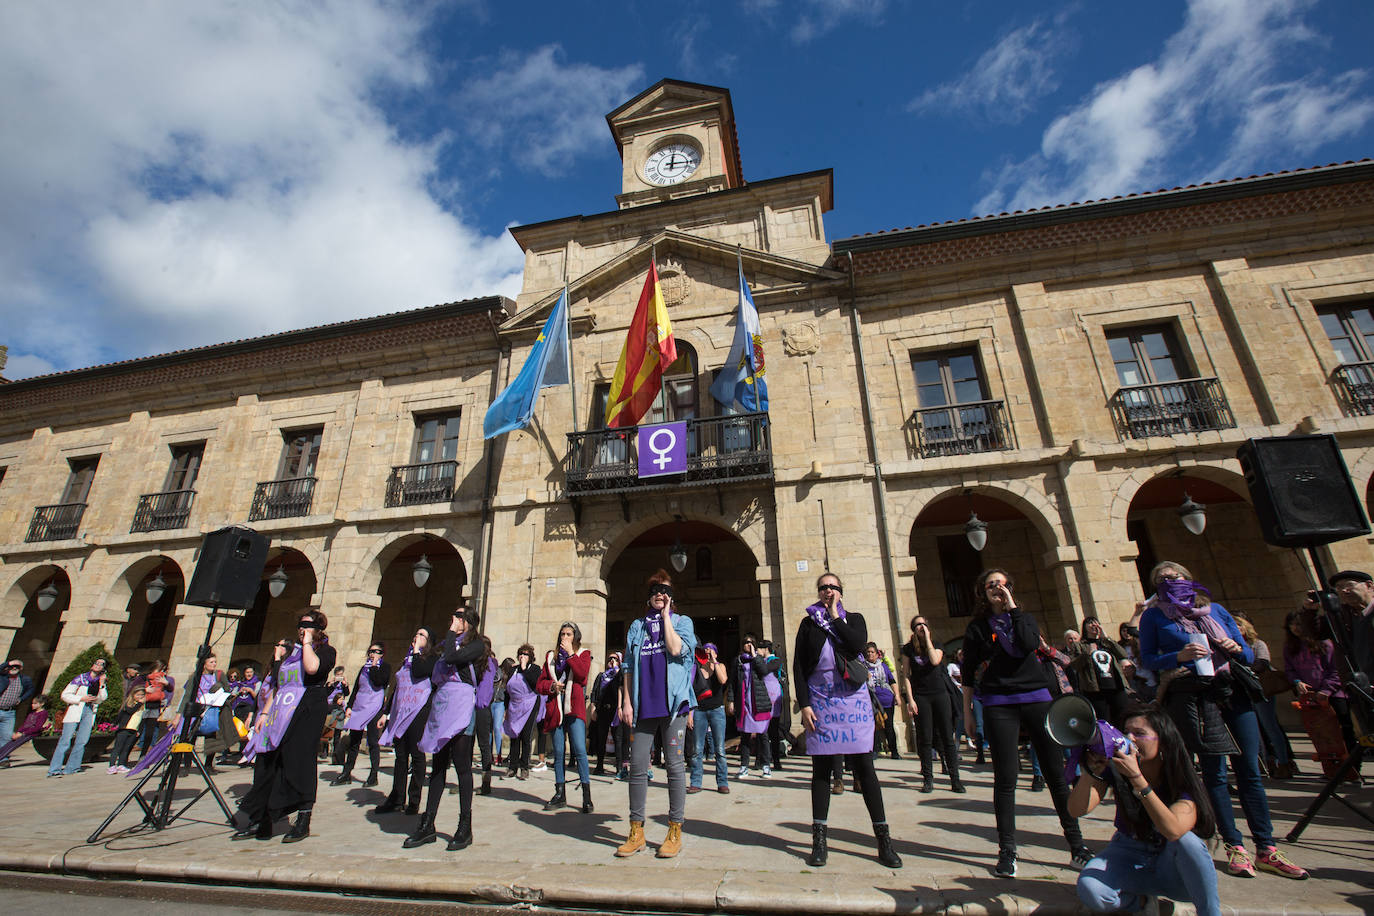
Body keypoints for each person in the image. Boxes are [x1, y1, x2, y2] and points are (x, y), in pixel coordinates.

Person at [1137, 560, 1308, 879]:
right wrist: (1177, 656)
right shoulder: (1155, 615)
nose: (1170, 580)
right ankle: (1234, 846)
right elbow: (1147, 658)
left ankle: (1267, 847)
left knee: (1250, 771)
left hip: (1232, 691)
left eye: (1175, 576)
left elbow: (1245, 653)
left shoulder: (1215, 610)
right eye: (1162, 578)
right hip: (1196, 696)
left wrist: (1234, 648)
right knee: (1215, 773)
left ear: (1188, 579)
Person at [961, 569, 1087, 878]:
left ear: (1010, 589)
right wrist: (967, 713)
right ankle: (1007, 850)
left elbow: (1030, 643)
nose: (997, 588)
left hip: (1036, 698)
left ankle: (1077, 846)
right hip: (998, 703)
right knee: (1006, 778)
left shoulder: (1025, 619)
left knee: (1056, 776)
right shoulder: (977, 628)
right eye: (991, 585)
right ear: (982, 593)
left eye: (1002, 584)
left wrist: (1013, 609)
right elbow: (968, 673)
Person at [1072, 703, 1221, 916]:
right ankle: (1140, 901)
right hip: (1128, 850)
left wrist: (1137, 780)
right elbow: (1076, 810)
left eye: (1140, 733)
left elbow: (1173, 831)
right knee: (1092, 890)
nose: (1130, 739)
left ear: (1164, 742)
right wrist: (1090, 772)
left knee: (1189, 842)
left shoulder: (1182, 781)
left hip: (1172, 868)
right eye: (1126, 733)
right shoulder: (1116, 770)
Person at [795, 572, 901, 869]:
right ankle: (819, 841)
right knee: (821, 770)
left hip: (853, 701)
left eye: (833, 587)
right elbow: (799, 665)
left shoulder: (853, 619)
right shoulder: (808, 623)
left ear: (841, 591)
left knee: (866, 768)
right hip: (821, 700)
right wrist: (804, 704)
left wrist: (834, 617)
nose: (828, 590)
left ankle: (884, 841)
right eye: (823, 587)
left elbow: (856, 646)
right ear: (818, 592)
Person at [232, 609, 337, 842]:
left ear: (319, 629)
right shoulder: (292, 654)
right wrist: (264, 713)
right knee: (270, 761)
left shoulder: (327, 651)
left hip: (308, 709)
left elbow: (312, 669)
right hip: (281, 710)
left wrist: (308, 643)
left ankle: (303, 820)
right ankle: (263, 818)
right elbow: (280, 684)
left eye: (308, 625)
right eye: (300, 624)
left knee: (299, 762)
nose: (302, 628)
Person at [615, 569, 696, 859]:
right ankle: (636, 830)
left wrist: (665, 618)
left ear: (672, 596)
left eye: (665, 590)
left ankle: (675, 829)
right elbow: (627, 667)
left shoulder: (681, 623)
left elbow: (676, 649)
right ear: (647, 596)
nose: (659, 594)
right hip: (643, 703)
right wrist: (625, 701)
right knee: (636, 767)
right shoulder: (636, 627)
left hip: (673, 704)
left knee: (675, 766)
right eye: (654, 590)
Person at [404, 606, 486, 850]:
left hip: (462, 704)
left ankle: (465, 826)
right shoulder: (446, 643)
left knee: (462, 765)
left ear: (469, 622)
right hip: (443, 704)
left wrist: (451, 634)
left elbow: (452, 658)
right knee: (438, 765)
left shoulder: (477, 645)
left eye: (459, 616)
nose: (454, 619)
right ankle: (427, 824)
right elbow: (431, 667)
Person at [1284, 609, 1357, 772]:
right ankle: (1332, 769)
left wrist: (1326, 690)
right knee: (1321, 734)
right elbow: (1289, 670)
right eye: (1291, 625)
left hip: (1334, 694)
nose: (1295, 628)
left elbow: (1337, 669)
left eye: (1298, 624)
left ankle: (1352, 768)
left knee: (1343, 732)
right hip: (1310, 696)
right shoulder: (1291, 647)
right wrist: (1297, 682)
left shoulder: (1325, 644)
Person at [375, 626, 436, 816]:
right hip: (402, 710)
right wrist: (385, 713)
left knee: (417, 756)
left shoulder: (432, 659)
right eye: (416, 633)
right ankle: (397, 797)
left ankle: (414, 800)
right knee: (400, 755)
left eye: (422, 635)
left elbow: (419, 672)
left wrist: (417, 651)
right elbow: (398, 686)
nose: (416, 637)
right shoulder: (407, 659)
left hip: (419, 711)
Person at [900, 616, 964, 794]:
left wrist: (927, 640)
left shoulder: (936, 644)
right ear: (913, 629)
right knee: (925, 739)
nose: (921, 627)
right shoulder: (908, 649)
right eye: (917, 625)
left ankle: (955, 779)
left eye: (924, 624)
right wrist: (910, 700)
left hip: (940, 694)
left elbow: (935, 660)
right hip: (921, 696)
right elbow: (906, 675)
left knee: (947, 738)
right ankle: (928, 779)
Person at [538, 622, 594, 813]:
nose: (565, 637)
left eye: (569, 634)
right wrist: (552, 687)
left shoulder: (583, 654)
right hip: (556, 709)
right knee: (559, 751)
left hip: (574, 708)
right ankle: (559, 792)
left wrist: (570, 654)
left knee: (579, 749)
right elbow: (541, 683)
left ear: (575, 637)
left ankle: (586, 795)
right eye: (562, 634)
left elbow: (582, 676)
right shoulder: (551, 658)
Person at [1233, 610, 1294, 779]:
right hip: (1243, 690)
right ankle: (1264, 762)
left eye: (1238, 625)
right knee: (1254, 730)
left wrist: (1242, 670)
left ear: (1246, 627)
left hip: (1261, 690)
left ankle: (1284, 763)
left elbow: (1263, 663)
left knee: (1270, 727)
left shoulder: (1257, 644)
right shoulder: (1229, 645)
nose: (1235, 628)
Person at [332, 642, 390, 787]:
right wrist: (350, 706)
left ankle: (373, 775)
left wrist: (375, 666)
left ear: (382, 653)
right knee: (354, 740)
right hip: (360, 705)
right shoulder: (364, 668)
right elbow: (357, 687)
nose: (372, 654)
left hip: (374, 706)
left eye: (376, 651)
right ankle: (346, 772)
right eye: (371, 651)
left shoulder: (384, 667)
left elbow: (379, 681)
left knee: (372, 742)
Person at [48, 656, 108, 777]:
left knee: (82, 741)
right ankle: (54, 769)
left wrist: (102, 685)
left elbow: (102, 698)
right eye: (96, 662)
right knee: (65, 740)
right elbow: (65, 695)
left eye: (101, 664)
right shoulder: (81, 678)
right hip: (76, 709)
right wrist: (81, 698)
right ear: (92, 665)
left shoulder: (99, 682)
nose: (98, 664)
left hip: (89, 710)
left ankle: (73, 767)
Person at [1070, 617, 1132, 724]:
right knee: (1103, 721)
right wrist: (1087, 654)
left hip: (1116, 686)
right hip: (1096, 689)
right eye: (1090, 623)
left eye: (1096, 623)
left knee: (1123, 717)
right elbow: (1075, 665)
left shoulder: (1106, 643)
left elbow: (1123, 654)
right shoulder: (1080, 645)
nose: (1094, 625)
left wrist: (1106, 637)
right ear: (1084, 627)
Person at [735, 633, 780, 779]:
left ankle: (766, 766)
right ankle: (744, 767)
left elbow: (764, 671)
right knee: (745, 736)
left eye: (750, 642)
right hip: (744, 701)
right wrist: (730, 700)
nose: (748, 644)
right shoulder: (739, 661)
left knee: (763, 734)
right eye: (745, 642)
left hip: (758, 701)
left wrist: (755, 656)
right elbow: (733, 682)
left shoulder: (759, 660)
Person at [1325, 569, 1374, 681]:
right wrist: (1309, 611)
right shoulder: (1342, 617)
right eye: (1339, 587)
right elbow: (1315, 633)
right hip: (1362, 686)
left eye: (1349, 585)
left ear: (1369, 585)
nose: (1344, 590)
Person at [503, 644, 542, 780]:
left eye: (525, 654)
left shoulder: (535, 669)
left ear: (530, 657)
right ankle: (512, 767)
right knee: (514, 735)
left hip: (529, 705)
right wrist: (506, 708)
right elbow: (508, 690)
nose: (522, 656)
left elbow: (535, 684)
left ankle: (524, 767)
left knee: (526, 736)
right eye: (521, 654)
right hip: (514, 706)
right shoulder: (513, 670)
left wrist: (525, 669)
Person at [195, 651, 234, 774]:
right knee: (191, 736)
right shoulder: (196, 676)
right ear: (204, 664)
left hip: (212, 709)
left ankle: (208, 765)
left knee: (212, 737)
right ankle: (186, 763)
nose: (214, 664)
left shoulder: (218, 675)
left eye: (215, 662)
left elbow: (227, 689)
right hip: (198, 708)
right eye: (211, 662)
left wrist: (218, 690)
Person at [472, 635, 499, 796]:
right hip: (473, 706)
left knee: (483, 745)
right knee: (469, 744)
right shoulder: (478, 662)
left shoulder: (488, 662)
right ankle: (468, 782)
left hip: (481, 706)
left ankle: (486, 782)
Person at [864, 643, 900, 760]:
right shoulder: (864, 667)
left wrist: (897, 695)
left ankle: (894, 751)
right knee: (873, 727)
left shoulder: (883, 666)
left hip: (886, 699)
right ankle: (875, 750)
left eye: (872, 652)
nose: (870, 654)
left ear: (876, 654)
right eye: (868, 652)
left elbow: (892, 681)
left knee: (888, 725)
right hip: (871, 699)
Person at [589, 651, 622, 776]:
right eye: (610, 659)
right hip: (603, 709)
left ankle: (619, 768)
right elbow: (595, 692)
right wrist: (593, 708)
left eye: (615, 659)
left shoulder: (619, 675)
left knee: (617, 738)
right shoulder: (601, 676)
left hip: (615, 710)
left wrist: (617, 670)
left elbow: (621, 688)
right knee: (601, 738)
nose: (612, 661)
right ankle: (599, 765)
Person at [137, 661, 175, 756]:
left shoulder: (164, 679)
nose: (162, 672)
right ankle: (123, 759)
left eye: (164, 670)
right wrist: (145, 690)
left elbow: (170, 690)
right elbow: (133, 689)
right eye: (160, 669)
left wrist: (166, 683)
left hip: (155, 707)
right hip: (142, 706)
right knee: (138, 730)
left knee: (150, 732)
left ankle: (143, 755)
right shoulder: (144, 677)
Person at [106, 685, 147, 774]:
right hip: (124, 729)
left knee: (126, 748)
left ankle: (121, 764)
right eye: (138, 695)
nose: (140, 697)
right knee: (117, 748)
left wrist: (139, 731)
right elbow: (130, 712)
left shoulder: (143, 707)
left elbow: (141, 720)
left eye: (142, 695)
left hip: (133, 730)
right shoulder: (129, 705)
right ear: (133, 695)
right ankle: (112, 766)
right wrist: (114, 724)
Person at [0, 694, 48, 766]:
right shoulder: (32, 713)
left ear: (42, 704)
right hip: (24, 732)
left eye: (35, 704)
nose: (33, 705)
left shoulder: (43, 713)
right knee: (7, 745)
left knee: (11, 747)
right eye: (32, 703)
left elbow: (37, 727)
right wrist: (19, 732)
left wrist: (23, 733)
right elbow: (25, 724)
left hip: (31, 733)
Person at [0, 659, 36, 747]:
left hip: (9, 712)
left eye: (17, 667)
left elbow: (31, 689)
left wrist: (21, 699)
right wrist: (9, 663)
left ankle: (3, 758)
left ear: (21, 669)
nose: (14, 668)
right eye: (12, 666)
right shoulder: (2, 676)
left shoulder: (24, 679)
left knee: (7, 736)